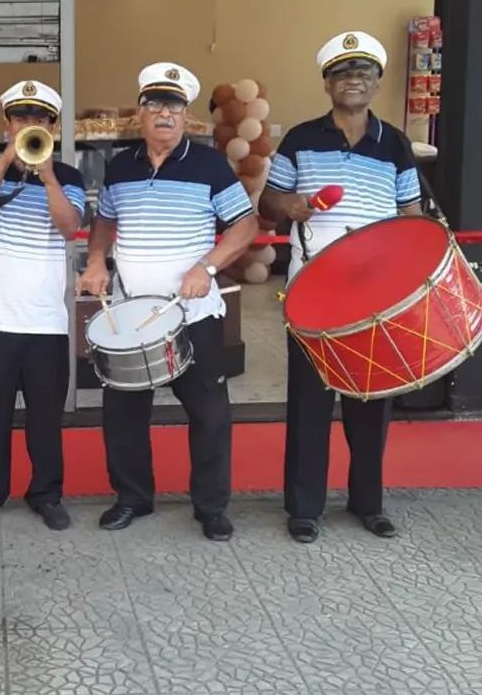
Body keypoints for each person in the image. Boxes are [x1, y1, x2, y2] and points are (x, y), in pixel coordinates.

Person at [78, 63, 257, 540]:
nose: (165, 113)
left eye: (174, 106)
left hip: (193, 314)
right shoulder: (121, 166)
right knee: (123, 415)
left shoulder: (209, 164)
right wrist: (95, 261)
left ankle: (211, 507)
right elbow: (104, 221)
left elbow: (245, 226)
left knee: (209, 414)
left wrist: (208, 267)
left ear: (185, 115)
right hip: (130, 314)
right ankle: (132, 497)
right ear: (140, 113)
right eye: (155, 104)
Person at [259, 31, 422, 545]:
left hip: (375, 297)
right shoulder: (300, 139)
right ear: (327, 83)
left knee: (371, 401)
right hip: (312, 291)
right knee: (309, 403)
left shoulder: (395, 144)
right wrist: (291, 206)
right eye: (343, 73)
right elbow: (268, 202)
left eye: (364, 72)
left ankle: (368, 503)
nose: (354, 80)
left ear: (377, 82)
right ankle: (304, 508)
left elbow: (411, 213)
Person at [0, 80, 86, 534]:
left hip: (46, 322)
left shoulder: (69, 177)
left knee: (45, 418)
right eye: (22, 117)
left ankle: (46, 494)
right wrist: (6, 159)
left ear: (52, 126)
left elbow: (69, 228)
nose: (31, 124)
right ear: (7, 124)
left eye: (40, 119)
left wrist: (47, 177)